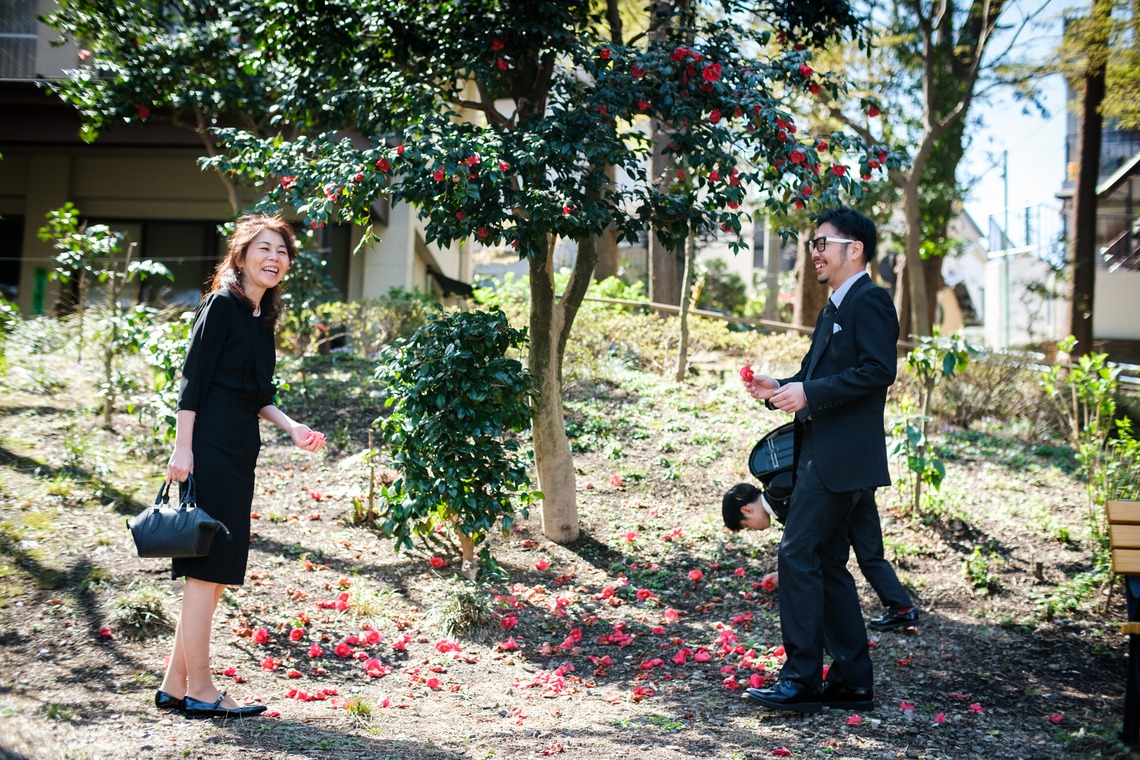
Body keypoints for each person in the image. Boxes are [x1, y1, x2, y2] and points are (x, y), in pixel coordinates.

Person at [155, 215, 326, 719]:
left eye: (283, 252)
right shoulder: (222, 306)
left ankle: (174, 684)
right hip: (208, 444)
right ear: (241, 254)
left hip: (238, 448)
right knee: (205, 572)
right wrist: (182, 450)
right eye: (264, 248)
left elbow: (256, 396)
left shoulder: (258, 317)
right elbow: (193, 381)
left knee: (215, 569)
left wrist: (292, 427)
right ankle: (203, 690)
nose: (275, 258)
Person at [738, 206, 898, 714]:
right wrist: (780, 387)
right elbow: (816, 379)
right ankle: (851, 679)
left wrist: (808, 391)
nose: (815, 252)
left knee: (797, 554)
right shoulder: (834, 307)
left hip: (840, 461)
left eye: (823, 243)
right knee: (827, 564)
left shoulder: (870, 300)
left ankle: (801, 679)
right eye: (813, 244)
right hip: (830, 458)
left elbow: (879, 371)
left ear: (855, 249)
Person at [722, 483, 917, 631]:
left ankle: (892, 611)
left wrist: (787, 572)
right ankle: (902, 608)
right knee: (871, 555)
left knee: (838, 561)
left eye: (746, 525)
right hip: (858, 489)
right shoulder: (777, 491)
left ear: (746, 510)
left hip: (842, 498)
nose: (753, 529)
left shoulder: (780, 498)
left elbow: (812, 540)